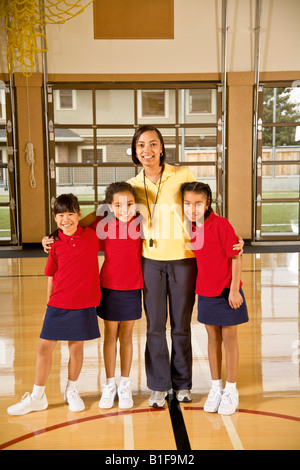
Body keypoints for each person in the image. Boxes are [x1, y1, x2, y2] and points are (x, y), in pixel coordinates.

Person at [42, 125, 244, 408]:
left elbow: (199, 208)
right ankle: (159, 385)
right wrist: (57, 233)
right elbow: (97, 214)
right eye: (140, 145)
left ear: (161, 148)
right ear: (134, 151)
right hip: (150, 262)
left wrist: (231, 238)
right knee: (155, 327)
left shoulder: (183, 175)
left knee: (181, 325)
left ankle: (183, 383)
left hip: (184, 260)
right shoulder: (132, 185)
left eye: (152, 144)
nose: (146, 150)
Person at [7, 194, 101, 416]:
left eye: (71, 214)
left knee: (75, 348)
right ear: (54, 217)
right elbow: (51, 275)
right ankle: (37, 396)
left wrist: (85, 218)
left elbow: (103, 210)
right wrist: (48, 306)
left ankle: (71, 391)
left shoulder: (92, 236)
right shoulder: (54, 244)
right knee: (44, 347)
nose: (65, 219)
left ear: (79, 214)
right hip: (58, 303)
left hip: (84, 303)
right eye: (60, 215)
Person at [181, 181, 249, 415]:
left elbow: (236, 256)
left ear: (207, 203)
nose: (192, 208)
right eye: (187, 204)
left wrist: (234, 289)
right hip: (206, 292)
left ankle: (231, 389)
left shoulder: (221, 224)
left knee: (229, 338)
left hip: (227, 292)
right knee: (212, 338)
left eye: (198, 203)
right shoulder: (188, 227)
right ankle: (216, 387)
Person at [93, 182, 143, 410]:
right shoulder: (103, 226)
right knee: (110, 335)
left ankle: (125, 384)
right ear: (110, 207)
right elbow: (78, 234)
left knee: (127, 336)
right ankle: (110, 383)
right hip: (110, 288)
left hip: (133, 287)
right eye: (118, 204)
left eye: (130, 204)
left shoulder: (142, 224)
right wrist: (50, 239)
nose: (125, 209)